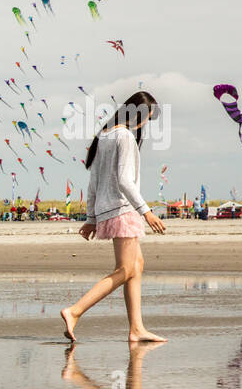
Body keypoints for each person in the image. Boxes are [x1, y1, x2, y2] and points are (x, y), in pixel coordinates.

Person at [60, 91, 167, 343]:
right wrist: (147, 212)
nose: (145, 125)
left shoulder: (104, 136)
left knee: (136, 267)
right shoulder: (125, 137)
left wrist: (91, 218)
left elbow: (93, 183)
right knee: (124, 269)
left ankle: (137, 329)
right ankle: (74, 311)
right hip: (123, 210)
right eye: (146, 118)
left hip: (108, 211)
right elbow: (124, 181)